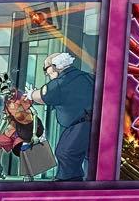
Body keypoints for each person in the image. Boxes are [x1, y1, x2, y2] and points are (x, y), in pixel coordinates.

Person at [29, 51, 94, 181]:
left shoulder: (61, 82)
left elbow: (43, 95)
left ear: (55, 66)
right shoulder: (88, 77)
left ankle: (69, 183)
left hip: (80, 125)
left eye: (46, 68)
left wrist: (31, 94)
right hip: (95, 124)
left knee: (65, 152)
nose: (46, 73)